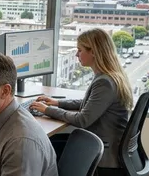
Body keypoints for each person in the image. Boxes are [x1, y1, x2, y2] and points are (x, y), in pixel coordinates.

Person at [30, 28, 132, 166]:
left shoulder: (105, 82)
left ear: (94, 52)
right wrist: (57, 103)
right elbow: (90, 103)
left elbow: (82, 120)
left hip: (104, 151)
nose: (77, 55)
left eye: (80, 50)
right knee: (48, 143)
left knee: (41, 147)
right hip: (108, 144)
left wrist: (47, 110)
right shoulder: (110, 76)